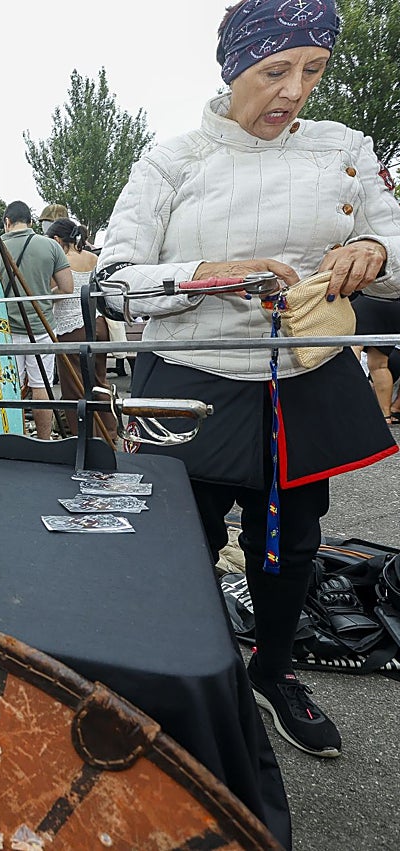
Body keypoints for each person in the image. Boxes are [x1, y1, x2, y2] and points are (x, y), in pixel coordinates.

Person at [97, 0, 400, 761]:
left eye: (314, 70)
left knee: (293, 542)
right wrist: (201, 274)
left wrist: (372, 247)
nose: (295, 90)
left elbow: (397, 243)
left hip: (300, 377)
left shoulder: (346, 149)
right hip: (192, 377)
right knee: (179, 542)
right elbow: (110, 283)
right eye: (275, 70)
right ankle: (188, 681)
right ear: (235, 65)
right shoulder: (173, 161)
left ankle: (271, 669)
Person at [0, 200, 74, 439]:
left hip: (5, 330)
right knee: (41, 387)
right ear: (29, 220)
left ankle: (12, 439)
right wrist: (45, 297)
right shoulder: (50, 246)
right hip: (41, 327)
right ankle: (44, 440)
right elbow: (67, 287)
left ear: (7, 222)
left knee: (9, 388)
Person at [44, 218, 116, 436]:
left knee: (74, 388)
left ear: (57, 239)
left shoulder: (59, 260)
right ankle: (109, 433)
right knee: (99, 381)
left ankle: (85, 438)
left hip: (71, 329)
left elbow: (55, 293)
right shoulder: (94, 258)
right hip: (98, 324)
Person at [351, 294, 400, 423]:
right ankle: (386, 416)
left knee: (353, 348)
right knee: (379, 365)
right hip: (394, 305)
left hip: (368, 299)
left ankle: (353, 409)